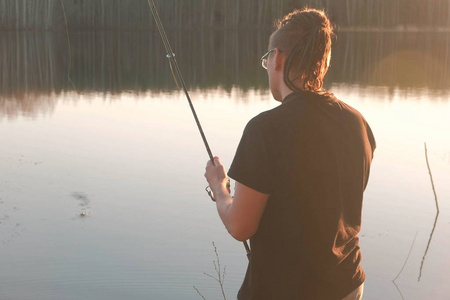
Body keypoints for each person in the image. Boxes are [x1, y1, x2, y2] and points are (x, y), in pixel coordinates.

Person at [205, 7, 375, 300]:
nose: (268, 65)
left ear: (278, 58)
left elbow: (240, 226)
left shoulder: (265, 129)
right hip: (347, 285)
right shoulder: (357, 123)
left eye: (267, 58)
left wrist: (220, 189)